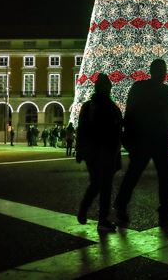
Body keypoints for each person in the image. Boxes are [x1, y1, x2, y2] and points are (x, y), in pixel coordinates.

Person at [114, 59, 168, 230]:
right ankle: (121, 206)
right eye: (160, 70)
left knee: (163, 179)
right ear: (152, 71)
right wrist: (130, 139)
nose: (163, 73)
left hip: (158, 140)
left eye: (164, 70)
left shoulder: (164, 90)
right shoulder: (145, 88)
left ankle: (165, 213)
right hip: (144, 140)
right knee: (135, 175)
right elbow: (130, 114)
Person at [75, 75, 122, 232]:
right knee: (105, 185)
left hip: (93, 152)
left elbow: (81, 129)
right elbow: (118, 131)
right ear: (108, 88)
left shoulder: (88, 106)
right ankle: (102, 219)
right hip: (106, 151)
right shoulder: (112, 107)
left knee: (96, 183)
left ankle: (84, 208)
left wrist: (80, 151)